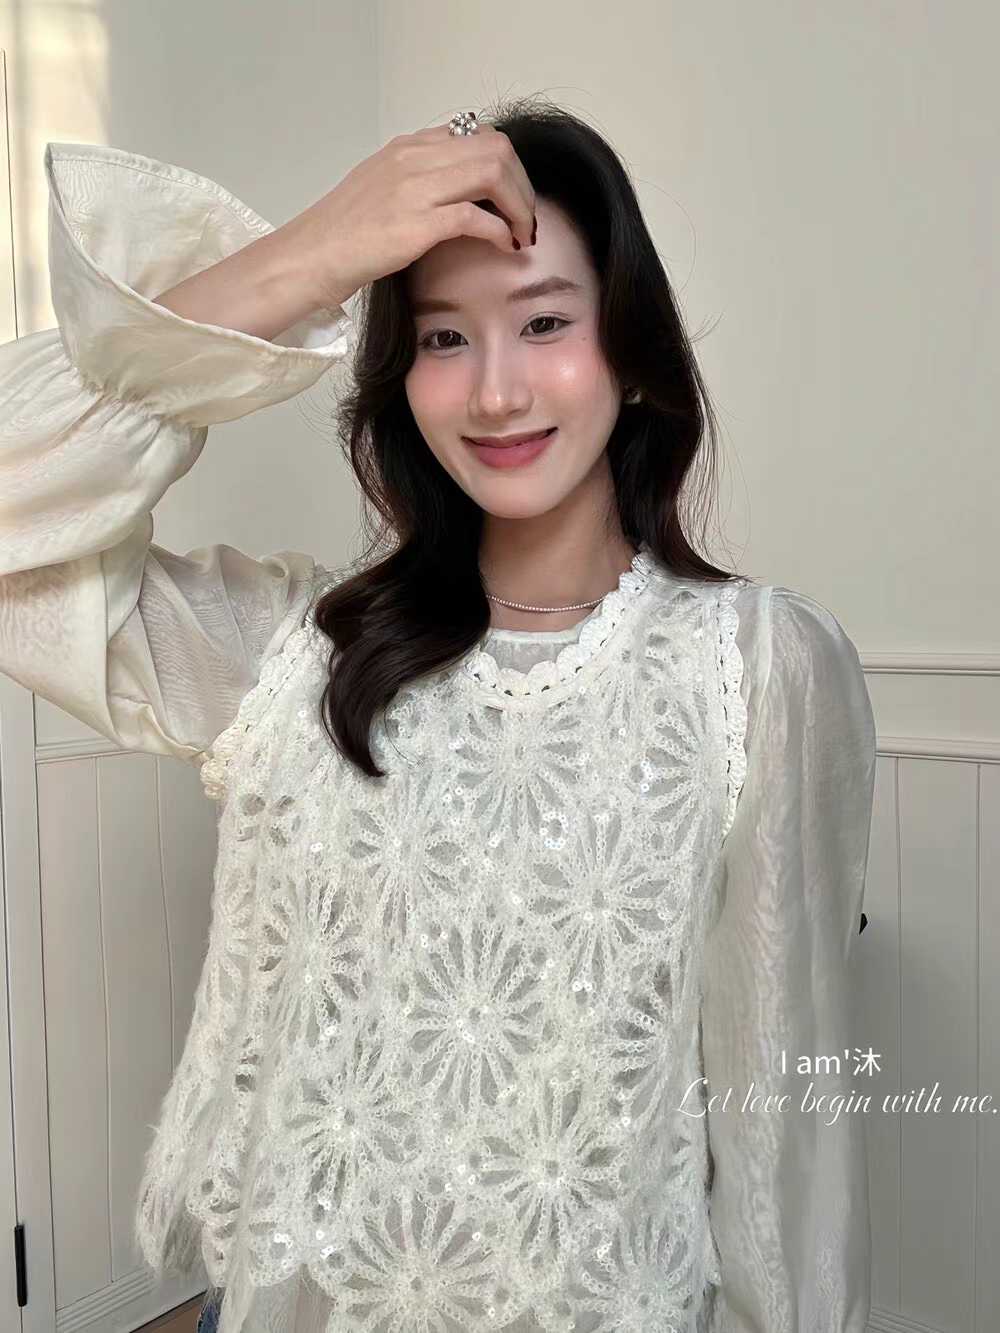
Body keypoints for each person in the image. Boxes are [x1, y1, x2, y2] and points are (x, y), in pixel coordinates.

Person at [0, 95, 875, 1333]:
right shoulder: (290, 654)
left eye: (546, 322)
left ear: (630, 353)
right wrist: (312, 254)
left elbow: (782, 1111)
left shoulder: (755, 666)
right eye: (443, 338)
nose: (497, 391)